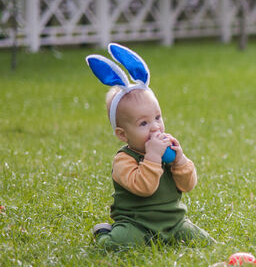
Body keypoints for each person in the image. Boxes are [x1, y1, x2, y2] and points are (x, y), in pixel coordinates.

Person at [86, 43, 214, 250]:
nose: (155, 127)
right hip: (137, 223)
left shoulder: (166, 151)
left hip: (174, 222)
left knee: (204, 243)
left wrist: (180, 160)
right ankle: (103, 233)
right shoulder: (124, 160)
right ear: (122, 134)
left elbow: (187, 185)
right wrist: (152, 157)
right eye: (143, 123)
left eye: (157, 117)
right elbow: (143, 188)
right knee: (118, 245)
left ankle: (175, 233)